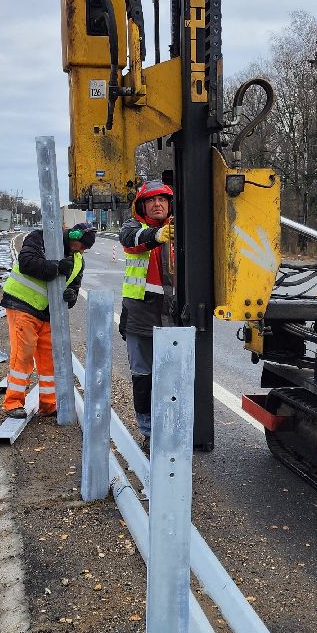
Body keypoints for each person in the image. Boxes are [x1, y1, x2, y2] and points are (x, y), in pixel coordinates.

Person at [0, 222, 96, 420]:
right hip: (22, 304)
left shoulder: (78, 261)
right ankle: (13, 403)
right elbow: (26, 262)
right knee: (23, 355)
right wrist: (56, 267)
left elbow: (74, 288)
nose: (82, 250)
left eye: (86, 248)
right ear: (73, 236)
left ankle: (49, 404)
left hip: (48, 314)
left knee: (50, 360)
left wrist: (71, 296)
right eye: (82, 245)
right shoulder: (40, 238)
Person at [118, 181, 176, 443]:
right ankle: (150, 433)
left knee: (173, 377)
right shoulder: (134, 228)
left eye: (162, 200)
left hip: (173, 315)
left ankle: (175, 427)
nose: (157, 204)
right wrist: (157, 236)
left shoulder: (179, 229)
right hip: (140, 316)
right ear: (142, 206)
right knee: (143, 377)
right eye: (151, 201)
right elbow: (132, 241)